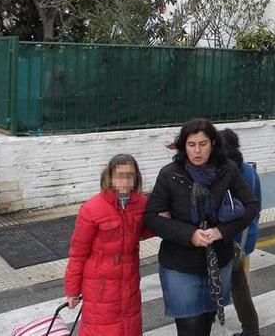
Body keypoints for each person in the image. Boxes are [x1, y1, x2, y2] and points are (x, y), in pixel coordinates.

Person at [145, 118, 261, 336]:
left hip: (219, 262)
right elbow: (151, 216)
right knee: (189, 329)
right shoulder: (170, 174)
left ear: (213, 144)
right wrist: (190, 234)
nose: (197, 151)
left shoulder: (228, 170)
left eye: (203, 144)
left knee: (206, 322)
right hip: (180, 265)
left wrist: (221, 232)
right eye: (191, 145)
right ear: (183, 146)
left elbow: (252, 205)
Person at [64, 154, 151, 336]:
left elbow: (143, 231)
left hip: (129, 284)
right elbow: (78, 253)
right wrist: (72, 290)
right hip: (100, 287)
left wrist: (163, 220)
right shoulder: (92, 208)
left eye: (130, 175)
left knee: (130, 327)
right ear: (110, 177)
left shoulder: (142, 203)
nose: (125, 180)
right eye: (120, 175)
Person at [219, 129, 262, 336]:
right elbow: (258, 203)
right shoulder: (249, 170)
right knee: (241, 281)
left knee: (232, 283)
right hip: (248, 234)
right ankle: (251, 329)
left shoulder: (225, 171)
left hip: (230, 237)